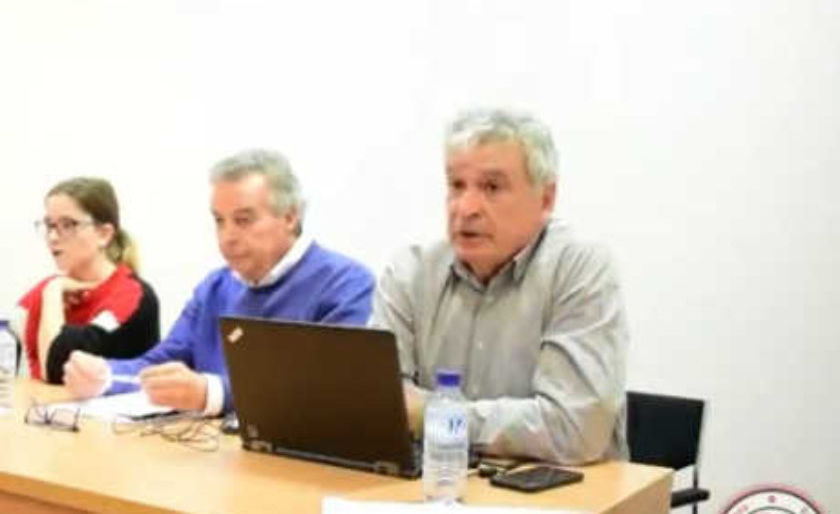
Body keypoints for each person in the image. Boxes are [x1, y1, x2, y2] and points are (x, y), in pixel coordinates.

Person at [370, 108, 629, 465]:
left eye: (492, 187)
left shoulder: (581, 270)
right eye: (456, 185)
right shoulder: (411, 272)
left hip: (563, 491)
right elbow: (379, 405)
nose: (466, 208)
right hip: (441, 485)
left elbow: (572, 429)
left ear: (546, 199)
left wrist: (434, 414)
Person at [63, 149, 374, 416]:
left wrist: (213, 394)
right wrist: (104, 376)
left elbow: (327, 394)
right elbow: (160, 363)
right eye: (219, 220)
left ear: (290, 217)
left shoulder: (345, 285)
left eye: (243, 220)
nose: (227, 236)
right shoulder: (215, 287)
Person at [10, 177, 160, 384]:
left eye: (67, 225)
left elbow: (57, 370)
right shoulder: (45, 289)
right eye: (49, 225)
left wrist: (53, 293)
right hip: (36, 403)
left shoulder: (131, 295)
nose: (52, 237)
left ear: (104, 234)